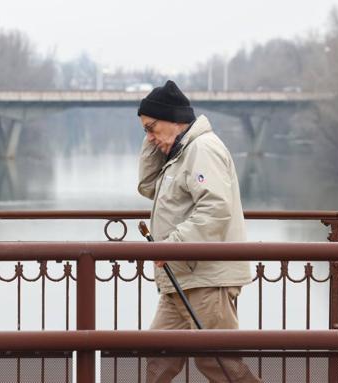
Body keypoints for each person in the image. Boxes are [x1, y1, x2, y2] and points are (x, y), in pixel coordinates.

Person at [137, 80, 261, 383]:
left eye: (152, 128)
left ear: (176, 121)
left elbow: (215, 208)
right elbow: (148, 186)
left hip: (205, 278)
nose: (150, 137)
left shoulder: (202, 150)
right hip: (182, 275)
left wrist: (171, 246)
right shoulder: (181, 152)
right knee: (159, 359)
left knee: (220, 364)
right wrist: (155, 141)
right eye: (145, 131)